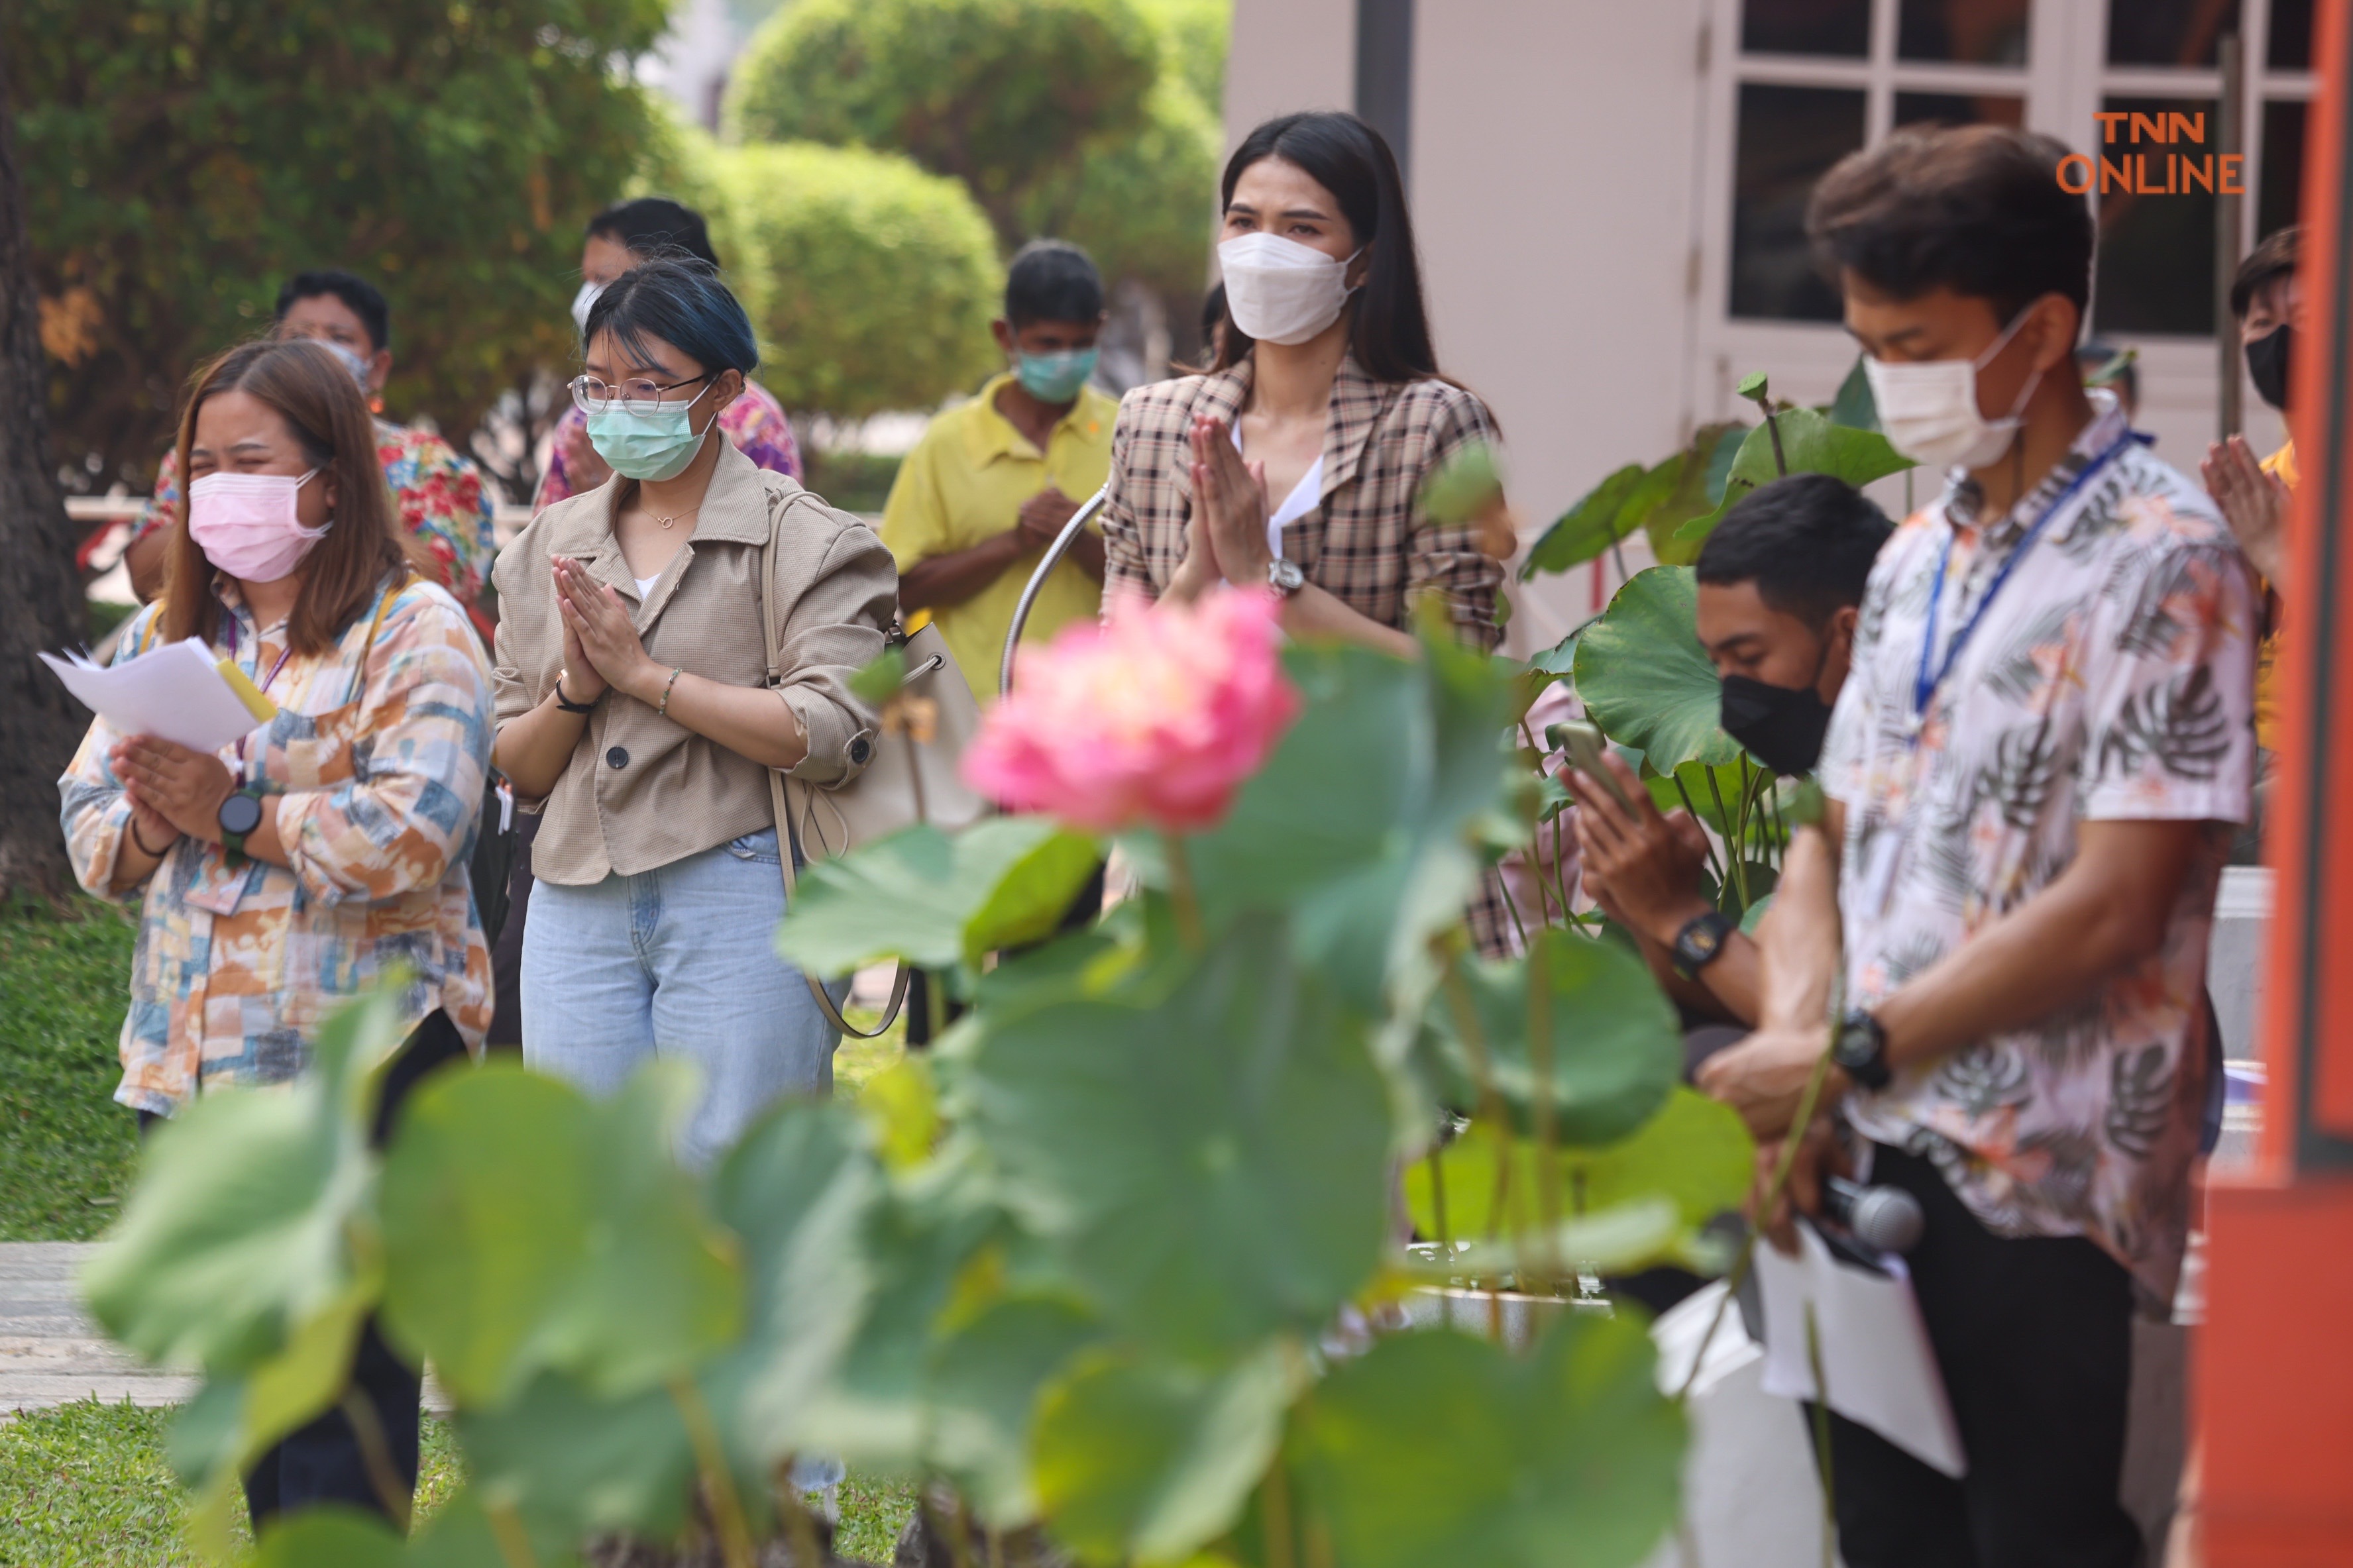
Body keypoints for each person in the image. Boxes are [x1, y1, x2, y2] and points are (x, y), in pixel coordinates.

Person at [1700, 125, 2256, 1568]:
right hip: (1860, 1145)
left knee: (2031, 1540)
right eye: (1865, 342)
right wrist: (1811, 1053)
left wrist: (1848, 1046)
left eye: (1913, 342)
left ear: (2042, 331)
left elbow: (2115, 904)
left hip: (2036, 1177)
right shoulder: (1908, 559)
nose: (1888, 378)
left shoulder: (2161, 558)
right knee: (1881, 1539)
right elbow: (1824, 834)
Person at [58, 337, 494, 1531]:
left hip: (362, 1065)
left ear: (332, 479)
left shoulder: (418, 631)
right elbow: (90, 827)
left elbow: (416, 830)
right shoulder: (165, 635)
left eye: (251, 460)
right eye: (201, 465)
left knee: (343, 1419)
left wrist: (233, 808)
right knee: (257, 1405)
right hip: (194, 1070)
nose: (219, 491)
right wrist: (159, 810)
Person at [492, 255, 895, 1171]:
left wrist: (645, 676)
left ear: (725, 387)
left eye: (648, 384)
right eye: (597, 385)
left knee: (737, 1179)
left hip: (748, 882)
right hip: (572, 894)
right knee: (591, 1182)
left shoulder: (813, 540)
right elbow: (518, 764)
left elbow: (830, 733)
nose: (618, 406)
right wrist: (580, 690)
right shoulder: (545, 547)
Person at [1569, 473, 1890, 1031]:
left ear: (1850, 635)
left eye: (1748, 656)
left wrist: (1678, 914)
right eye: (1717, 663)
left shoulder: (1913, 776)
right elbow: (1753, 991)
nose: (1730, 693)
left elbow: (1812, 1032)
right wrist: (1644, 911)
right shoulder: (1839, 773)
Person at [121, 270, 500, 644]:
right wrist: (226, 519)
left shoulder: (427, 464)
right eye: (299, 337)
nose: (316, 349)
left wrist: (321, 531)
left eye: (340, 337)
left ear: (379, 368)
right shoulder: (204, 449)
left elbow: (442, 582)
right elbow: (146, 572)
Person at [882, 239, 1116, 702]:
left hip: (1095, 720)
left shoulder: (1129, 432)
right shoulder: (946, 443)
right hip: (972, 714)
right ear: (1005, 336)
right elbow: (898, 591)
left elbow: (1165, 591)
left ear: (1100, 331)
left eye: (1081, 344)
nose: (1065, 359)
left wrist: (1074, 538)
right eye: (1048, 344)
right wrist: (1012, 543)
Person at [533, 197, 802, 511]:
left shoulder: (755, 425)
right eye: (597, 385)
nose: (592, 299)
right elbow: (545, 545)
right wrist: (594, 509)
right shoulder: (584, 422)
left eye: (606, 281)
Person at [2203, 225, 2299, 755]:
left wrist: (2276, 554)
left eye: (2305, 320)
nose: (2282, 341)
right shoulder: (2258, 485)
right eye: (2263, 323)